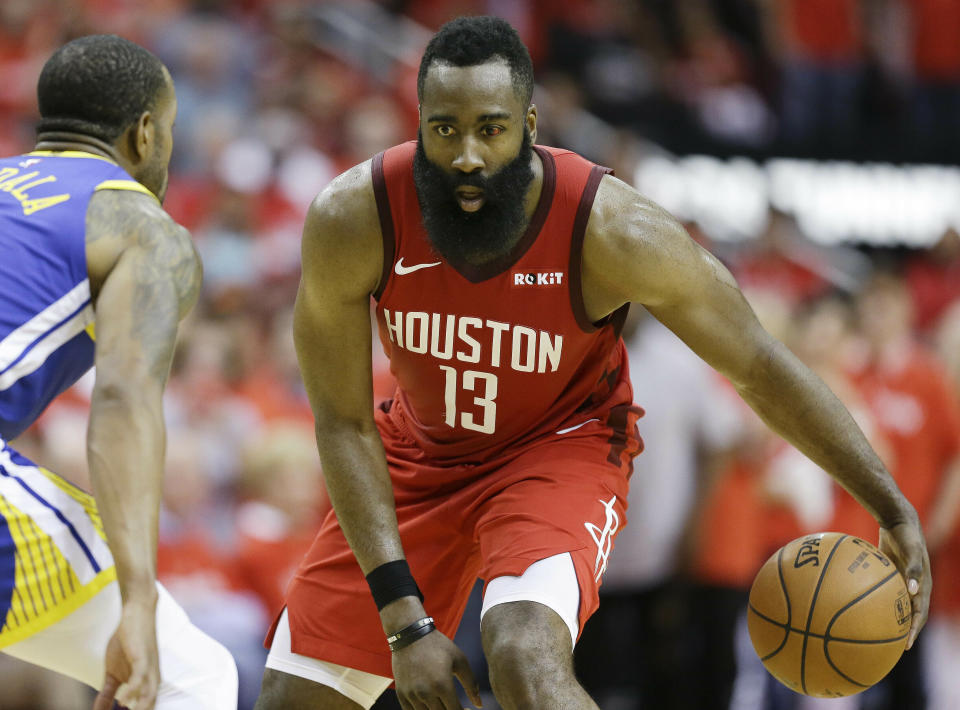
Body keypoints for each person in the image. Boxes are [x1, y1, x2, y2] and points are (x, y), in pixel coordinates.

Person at [254, 16, 931, 710]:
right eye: (443, 129)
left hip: (557, 452)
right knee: (292, 699)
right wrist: (404, 621)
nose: (465, 156)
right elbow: (341, 423)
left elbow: (757, 363)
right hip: (417, 453)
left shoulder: (614, 230)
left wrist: (890, 503)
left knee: (523, 654)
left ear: (530, 123)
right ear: (417, 123)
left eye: (490, 128)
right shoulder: (353, 217)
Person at [0, 35, 237, 709]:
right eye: (169, 128)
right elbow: (125, 399)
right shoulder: (138, 223)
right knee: (190, 680)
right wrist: (136, 600)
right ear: (143, 134)